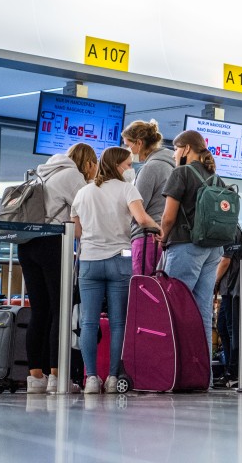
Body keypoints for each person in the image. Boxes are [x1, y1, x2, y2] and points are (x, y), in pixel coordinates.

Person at [71, 147, 160, 394]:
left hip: (89, 260)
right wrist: (160, 230)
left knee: (88, 322)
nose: (131, 169)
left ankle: (90, 379)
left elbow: (76, 232)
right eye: (128, 165)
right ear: (118, 166)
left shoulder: (83, 192)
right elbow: (142, 219)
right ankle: (112, 378)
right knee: (119, 322)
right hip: (120, 259)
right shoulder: (127, 189)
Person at [20, 142, 97, 394]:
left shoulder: (42, 171)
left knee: (39, 311)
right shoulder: (73, 175)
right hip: (53, 244)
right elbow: (87, 209)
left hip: (27, 244)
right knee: (60, 310)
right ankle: (57, 376)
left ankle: (35, 378)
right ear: (88, 163)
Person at [160, 130, 227, 382]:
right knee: (202, 313)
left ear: (186, 149)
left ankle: (172, 375)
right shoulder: (216, 178)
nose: (175, 154)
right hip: (213, 250)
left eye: (176, 149)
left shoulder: (181, 173)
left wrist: (162, 237)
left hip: (185, 246)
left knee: (174, 309)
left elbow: (168, 217)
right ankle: (202, 377)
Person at [121, 120, 175, 276]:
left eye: (128, 144)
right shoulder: (171, 166)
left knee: (143, 289)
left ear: (139, 142)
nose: (127, 149)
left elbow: (137, 209)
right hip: (162, 239)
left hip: (146, 239)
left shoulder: (150, 168)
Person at [213, 226, 242, 388]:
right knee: (223, 327)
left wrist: (213, 282)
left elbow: (225, 260)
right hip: (230, 289)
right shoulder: (237, 231)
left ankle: (234, 373)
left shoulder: (228, 230)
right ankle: (230, 369)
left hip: (232, 289)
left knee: (231, 330)